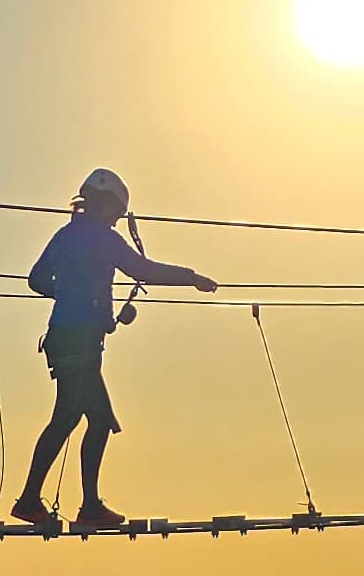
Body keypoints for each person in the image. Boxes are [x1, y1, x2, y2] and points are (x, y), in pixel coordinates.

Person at [13, 168, 215, 532]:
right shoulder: (102, 239)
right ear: (107, 206)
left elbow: (36, 279)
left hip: (64, 338)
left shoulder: (65, 234)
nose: (117, 220)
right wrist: (192, 277)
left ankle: (70, 503)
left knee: (85, 419)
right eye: (117, 213)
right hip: (80, 342)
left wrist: (69, 293)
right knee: (78, 419)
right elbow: (144, 270)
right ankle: (47, 502)